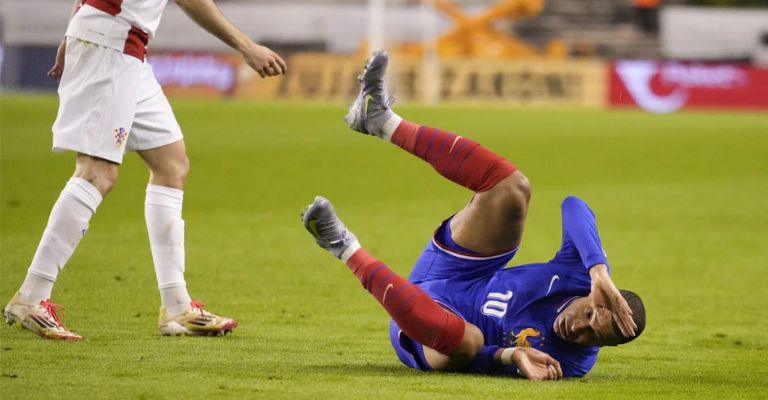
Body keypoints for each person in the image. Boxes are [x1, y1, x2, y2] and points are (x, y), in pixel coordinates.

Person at [302, 51, 645, 380]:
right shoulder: (583, 278)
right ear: (593, 297)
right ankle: (381, 120)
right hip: (458, 271)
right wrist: (598, 270)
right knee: (513, 189)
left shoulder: (571, 361)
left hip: (431, 331)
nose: (578, 328)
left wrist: (509, 355)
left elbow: (481, 359)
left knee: (469, 342)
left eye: (593, 338)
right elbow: (574, 205)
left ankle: (343, 246)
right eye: (588, 315)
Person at [3, 0, 287, 340]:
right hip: (110, 44)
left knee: (171, 163)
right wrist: (247, 46)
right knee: (97, 172)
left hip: (126, 48)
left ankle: (177, 307)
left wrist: (72, 29)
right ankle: (31, 297)